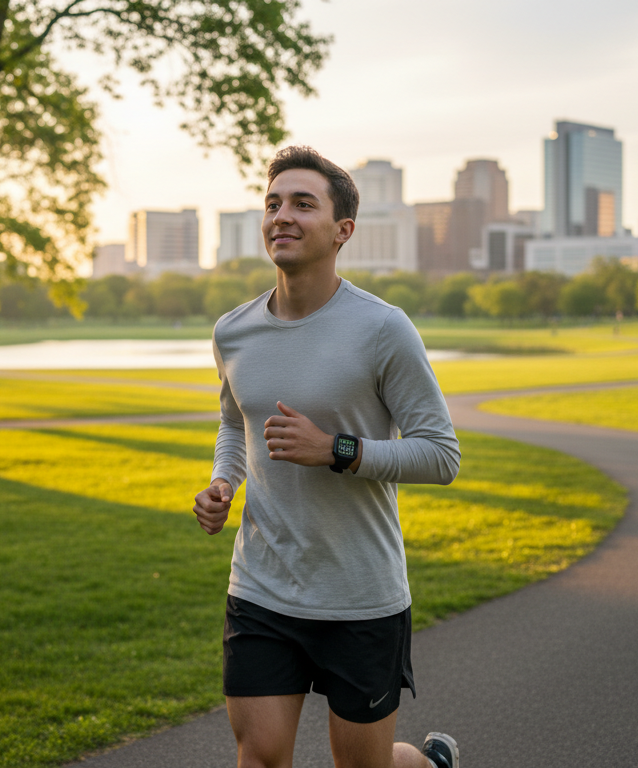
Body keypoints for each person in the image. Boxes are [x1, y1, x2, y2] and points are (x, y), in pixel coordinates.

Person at [193, 146, 462, 768]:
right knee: (259, 757)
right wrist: (222, 482)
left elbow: (441, 455)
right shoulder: (232, 331)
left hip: (358, 593)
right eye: (273, 202)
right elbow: (235, 424)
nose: (281, 215)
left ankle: (427, 763)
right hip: (261, 586)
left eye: (302, 204)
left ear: (343, 231)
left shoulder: (382, 329)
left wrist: (335, 450)